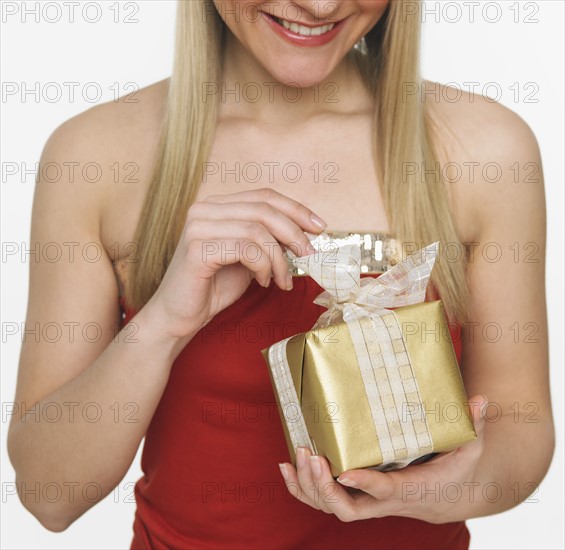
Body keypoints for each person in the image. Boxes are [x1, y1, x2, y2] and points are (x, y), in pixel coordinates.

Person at [8, 1, 554, 548]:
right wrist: (164, 323)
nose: (320, 6)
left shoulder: (487, 152)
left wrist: (435, 492)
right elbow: (49, 495)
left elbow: (521, 431)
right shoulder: (94, 157)